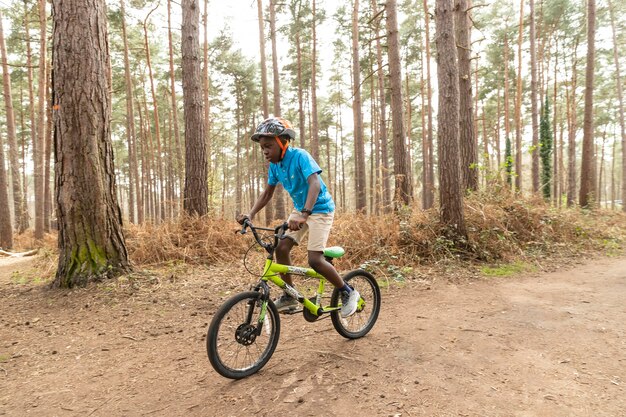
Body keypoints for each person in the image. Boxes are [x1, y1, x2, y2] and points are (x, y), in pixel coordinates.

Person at [237, 117, 360, 318]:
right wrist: (250, 215)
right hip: (300, 210)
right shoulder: (275, 166)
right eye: (262, 148)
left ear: (282, 142)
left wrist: (305, 215)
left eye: (268, 146)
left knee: (315, 260)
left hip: (320, 209)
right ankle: (289, 296)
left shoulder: (301, 156)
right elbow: (267, 193)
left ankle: (348, 292)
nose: (265, 151)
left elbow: (315, 184)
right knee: (281, 248)